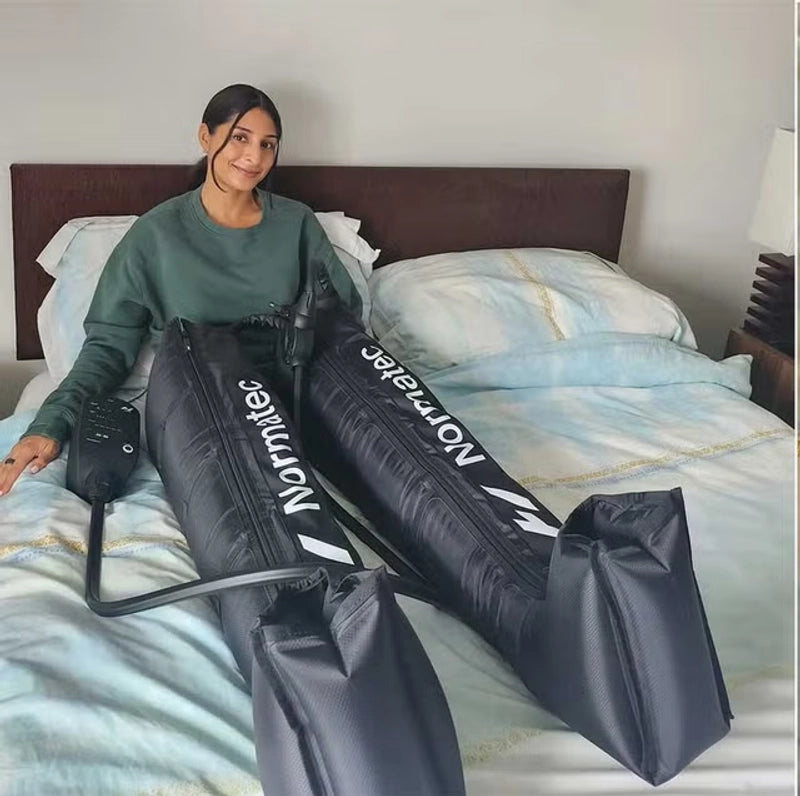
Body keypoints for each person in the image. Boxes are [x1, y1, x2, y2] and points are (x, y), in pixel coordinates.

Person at [0, 84, 361, 497]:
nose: (254, 156)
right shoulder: (155, 236)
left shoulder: (295, 224)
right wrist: (50, 424)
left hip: (294, 400)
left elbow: (342, 320)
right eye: (240, 137)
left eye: (268, 144)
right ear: (206, 136)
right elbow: (108, 348)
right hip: (204, 405)